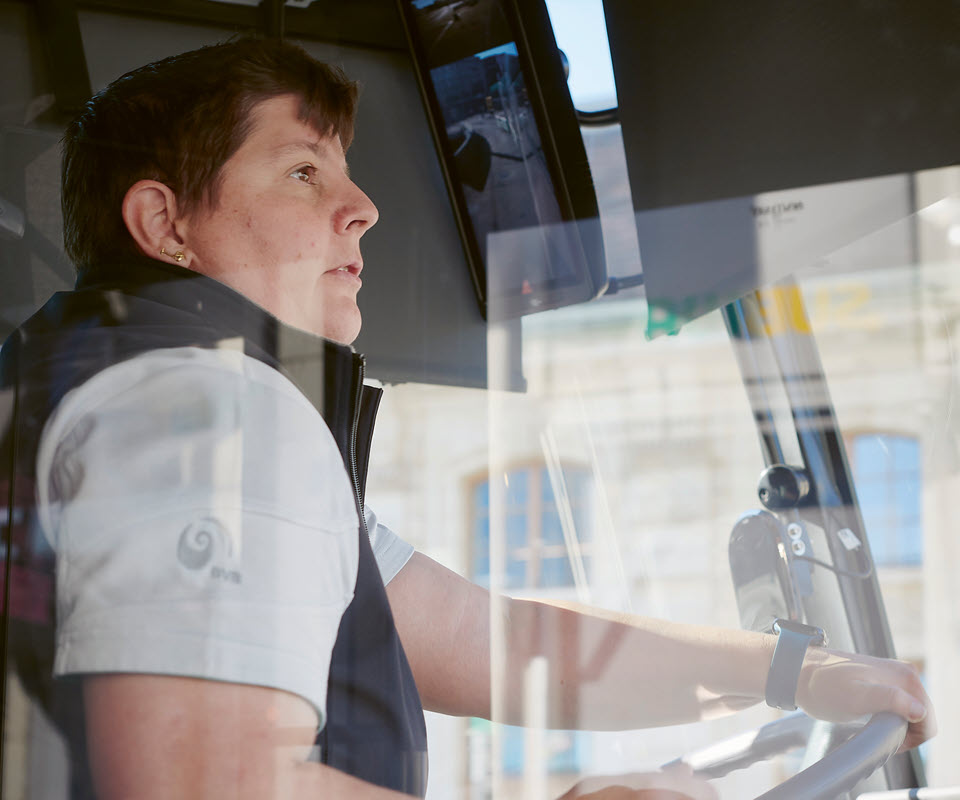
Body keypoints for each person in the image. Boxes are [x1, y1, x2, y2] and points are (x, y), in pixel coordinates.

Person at [0, 38, 934, 800]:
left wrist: (789, 673)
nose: (361, 209)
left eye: (344, 174)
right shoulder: (208, 412)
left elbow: (484, 640)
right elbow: (200, 782)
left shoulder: (127, 395)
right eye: (300, 173)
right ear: (165, 224)